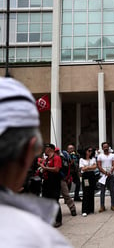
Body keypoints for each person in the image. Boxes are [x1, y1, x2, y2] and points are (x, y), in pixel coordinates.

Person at [0, 77, 72, 247]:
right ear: (28, 152)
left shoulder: (56, 158)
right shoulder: (40, 240)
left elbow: (56, 169)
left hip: (53, 183)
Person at [41, 143, 64, 227]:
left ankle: (58, 220)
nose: (44, 150)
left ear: (50, 149)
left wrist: (45, 168)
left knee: (54, 200)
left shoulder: (56, 158)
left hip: (54, 181)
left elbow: (56, 169)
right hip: (46, 181)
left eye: (46, 148)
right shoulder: (47, 159)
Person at [56, 147, 77, 217]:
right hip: (53, 179)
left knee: (66, 195)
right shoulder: (49, 159)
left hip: (62, 179)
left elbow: (67, 168)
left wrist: (67, 177)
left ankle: (72, 208)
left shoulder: (63, 159)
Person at [97, 141, 114, 212]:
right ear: (102, 148)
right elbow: (99, 166)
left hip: (111, 175)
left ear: (109, 147)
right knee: (102, 192)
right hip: (103, 176)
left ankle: (113, 205)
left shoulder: (113, 155)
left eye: (106, 147)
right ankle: (102, 206)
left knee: (112, 191)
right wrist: (105, 172)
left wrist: (110, 172)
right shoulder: (100, 156)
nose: (105, 148)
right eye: (104, 147)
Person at [79, 146, 97, 217]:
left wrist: (87, 167)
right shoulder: (81, 159)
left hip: (92, 175)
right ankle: (85, 210)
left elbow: (95, 167)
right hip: (85, 176)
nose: (90, 152)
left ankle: (91, 209)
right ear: (85, 151)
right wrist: (90, 167)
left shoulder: (93, 159)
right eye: (89, 151)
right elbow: (82, 169)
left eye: (91, 151)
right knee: (86, 192)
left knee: (91, 191)